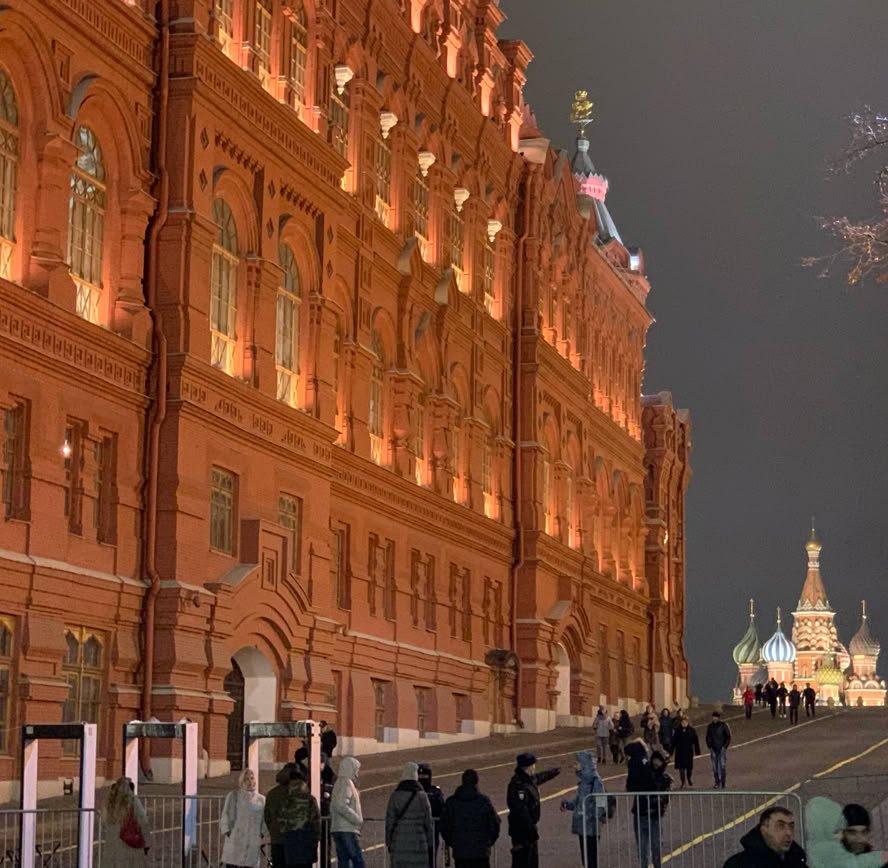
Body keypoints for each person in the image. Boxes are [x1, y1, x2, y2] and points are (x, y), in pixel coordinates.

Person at [507, 751, 561, 868]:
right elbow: (521, 811)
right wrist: (531, 830)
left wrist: (554, 772)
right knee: (523, 861)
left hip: (529, 829)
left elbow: (539, 777)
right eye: (533, 765)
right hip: (522, 831)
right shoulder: (518, 785)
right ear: (528, 767)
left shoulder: (527, 779)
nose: (534, 767)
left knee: (532, 860)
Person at [440, 768, 501, 868]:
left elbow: (444, 826)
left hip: (460, 852)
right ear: (476, 782)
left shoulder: (452, 802)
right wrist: (488, 842)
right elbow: (494, 824)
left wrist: (453, 842)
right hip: (480, 852)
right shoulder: (483, 801)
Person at [804, 797, 888, 867]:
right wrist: (880, 858)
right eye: (852, 832)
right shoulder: (829, 850)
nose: (860, 839)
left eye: (864, 832)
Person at [626, 741, 670, 868]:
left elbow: (665, 798)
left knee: (656, 847)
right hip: (641, 814)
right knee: (642, 849)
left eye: (659, 762)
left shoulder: (664, 778)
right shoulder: (642, 770)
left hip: (654, 816)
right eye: (654, 762)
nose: (656, 764)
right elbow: (631, 786)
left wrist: (656, 801)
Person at [561, 751, 607, 868]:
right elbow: (579, 802)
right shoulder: (584, 781)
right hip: (583, 825)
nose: (575, 766)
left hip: (591, 826)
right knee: (586, 858)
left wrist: (595, 817)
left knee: (591, 858)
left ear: (584, 764)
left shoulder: (595, 781)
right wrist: (568, 804)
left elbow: (600, 802)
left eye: (577, 763)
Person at [385, 762, 434, 868]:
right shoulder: (422, 796)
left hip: (399, 843)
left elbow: (390, 822)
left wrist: (389, 842)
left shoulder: (395, 796)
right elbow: (428, 822)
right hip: (419, 843)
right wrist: (430, 843)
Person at [723, 806, 807, 867]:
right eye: (780, 826)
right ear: (764, 829)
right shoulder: (739, 864)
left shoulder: (796, 860)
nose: (788, 832)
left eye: (791, 826)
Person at [220, 768, 268, 868]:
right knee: (233, 864)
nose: (250, 781)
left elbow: (265, 819)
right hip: (236, 838)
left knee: (250, 863)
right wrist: (228, 832)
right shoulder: (234, 796)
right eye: (246, 779)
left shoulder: (261, 799)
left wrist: (262, 833)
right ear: (242, 781)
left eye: (252, 778)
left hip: (252, 839)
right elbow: (226, 814)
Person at [276, 766, 321, 868]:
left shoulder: (285, 799)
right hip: (306, 839)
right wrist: (316, 837)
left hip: (290, 839)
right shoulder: (310, 799)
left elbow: (280, 820)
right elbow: (316, 821)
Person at [102, 776, 151, 867]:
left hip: (111, 847)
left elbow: (104, 822)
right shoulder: (133, 801)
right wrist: (147, 843)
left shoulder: (110, 803)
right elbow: (143, 821)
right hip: (129, 846)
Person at [330, 756, 365, 868]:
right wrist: (356, 819)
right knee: (358, 860)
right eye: (356, 769)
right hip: (347, 829)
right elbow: (340, 805)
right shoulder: (346, 783)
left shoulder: (339, 783)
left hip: (338, 828)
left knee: (344, 861)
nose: (357, 773)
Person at [265, 764, 295, 868]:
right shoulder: (297, 793)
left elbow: (267, 817)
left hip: (277, 838)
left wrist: (273, 829)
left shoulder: (272, 794)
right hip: (294, 840)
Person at [417, 763, 445, 856]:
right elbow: (442, 810)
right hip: (431, 833)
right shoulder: (435, 792)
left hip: (420, 833)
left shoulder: (413, 792)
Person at [671, 715, 700, 788]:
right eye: (682, 722)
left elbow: (696, 741)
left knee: (689, 768)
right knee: (681, 769)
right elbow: (673, 742)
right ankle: (683, 782)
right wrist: (671, 752)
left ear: (688, 722)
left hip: (688, 752)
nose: (684, 723)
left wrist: (697, 751)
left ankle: (689, 778)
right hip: (679, 752)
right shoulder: (677, 730)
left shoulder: (692, 730)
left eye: (685, 722)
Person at [705, 710, 732, 789]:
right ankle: (717, 782)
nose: (715, 718)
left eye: (716, 717)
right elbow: (707, 737)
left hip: (721, 749)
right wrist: (710, 746)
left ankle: (723, 782)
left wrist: (724, 747)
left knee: (722, 766)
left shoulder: (723, 726)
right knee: (715, 767)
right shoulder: (710, 727)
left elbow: (728, 737)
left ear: (719, 718)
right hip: (713, 749)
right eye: (714, 717)